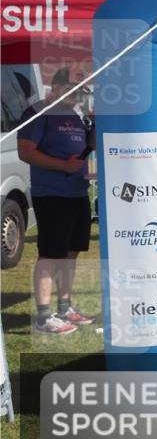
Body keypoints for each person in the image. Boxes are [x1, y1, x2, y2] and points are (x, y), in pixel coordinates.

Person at [17, 67, 98, 334]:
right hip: (51, 194)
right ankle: (43, 316)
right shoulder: (39, 112)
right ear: (57, 86)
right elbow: (26, 151)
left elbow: (91, 144)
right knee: (50, 255)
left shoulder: (74, 115)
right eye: (73, 89)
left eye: (81, 90)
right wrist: (63, 165)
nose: (77, 95)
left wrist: (96, 124)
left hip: (77, 193)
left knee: (71, 254)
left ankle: (65, 308)